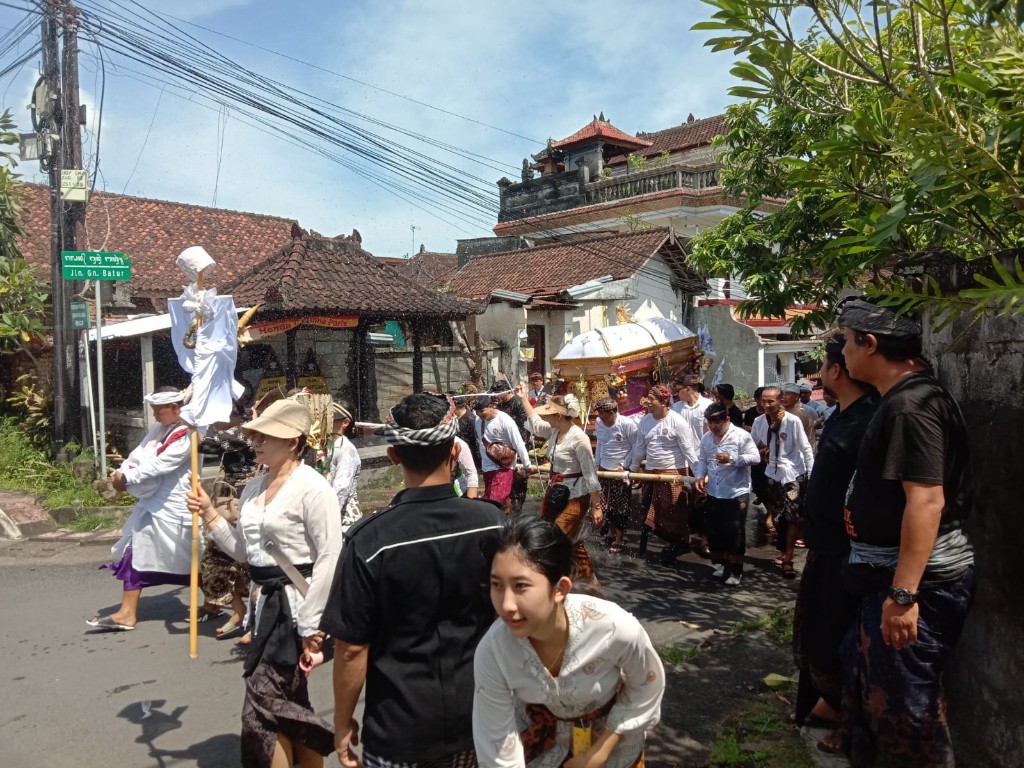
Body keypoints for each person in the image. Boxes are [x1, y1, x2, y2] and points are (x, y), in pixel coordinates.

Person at [321, 393, 505, 768]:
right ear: (455, 452)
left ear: (394, 456)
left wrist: (342, 723)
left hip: (400, 731)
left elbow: (352, 649)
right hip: (487, 718)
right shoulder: (495, 524)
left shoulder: (369, 541)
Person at [831, 298, 974, 767]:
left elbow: (927, 500)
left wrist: (906, 594)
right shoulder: (900, 400)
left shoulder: (911, 406)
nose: (844, 355)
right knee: (871, 694)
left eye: (848, 343)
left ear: (870, 345)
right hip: (884, 577)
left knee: (908, 717)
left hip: (916, 587)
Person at [187, 398, 342, 768]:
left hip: (296, 608)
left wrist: (312, 624)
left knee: (260, 708)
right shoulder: (254, 487)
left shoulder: (313, 487)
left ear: (292, 442)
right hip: (263, 608)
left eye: (265, 437)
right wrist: (210, 513)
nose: (256, 443)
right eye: (254, 436)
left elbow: (330, 556)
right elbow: (244, 552)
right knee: (289, 701)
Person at [473, 514, 665, 768]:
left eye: (521, 586)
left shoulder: (614, 628)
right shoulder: (493, 650)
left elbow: (646, 685)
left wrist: (601, 750)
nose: (506, 605)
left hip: (614, 745)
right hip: (538, 747)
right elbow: (497, 744)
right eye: (496, 585)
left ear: (560, 589)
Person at [792, 336, 878, 735]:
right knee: (816, 630)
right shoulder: (840, 415)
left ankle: (844, 716)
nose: (821, 373)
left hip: (849, 552)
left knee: (839, 635)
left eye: (825, 365)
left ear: (836, 371)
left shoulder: (870, 419)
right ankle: (823, 705)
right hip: (824, 548)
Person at [87, 387, 194, 631]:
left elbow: (158, 466)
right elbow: (140, 454)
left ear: (175, 408)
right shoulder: (161, 428)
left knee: (192, 564)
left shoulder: (189, 434)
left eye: (158, 409)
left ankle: (228, 601)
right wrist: (122, 471)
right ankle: (126, 613)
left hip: (176, 508)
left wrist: (126, 479)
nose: (154, 414)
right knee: (136, 552)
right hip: (153, 506)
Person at [517, 388, 603, 587]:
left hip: (576, 495)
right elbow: (536, 424)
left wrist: (596, 505)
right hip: (557, 492)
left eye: (549, 414)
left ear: (559, 415)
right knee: (572, 540)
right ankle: (588, 580)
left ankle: (549, 580)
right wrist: (523, 399)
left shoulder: (579, 438)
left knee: (555, 535)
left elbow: (590, 473)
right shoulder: (554, 430)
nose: (545, 417)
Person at [198, 404, 258, 638]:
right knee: (214, 561)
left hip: (249, 501)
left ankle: (254, 617)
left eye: (216, 419)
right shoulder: (237, 430)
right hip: (228, 502)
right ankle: (238, 609)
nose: (213, 424)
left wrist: (194, 421)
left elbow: (205, 443)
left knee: (255, 565)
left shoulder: (246, 431)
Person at [692, 402, 761, 586]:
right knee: (716, 530)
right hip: (715, 491)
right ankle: (723, 563)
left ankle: (736, 570)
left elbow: (755, 458)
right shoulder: (707, 438)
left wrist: (732, 459)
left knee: (735, 531)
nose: (713, 426)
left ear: (727, 419)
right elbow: (702, 460)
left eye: (717, 422)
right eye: (710, 422)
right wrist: (699, 476)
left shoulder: (741, 436)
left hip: (736, 491)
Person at [630, 385, 700, 565]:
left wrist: (699, 475)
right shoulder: (645, 421)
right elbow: (639, 447)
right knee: (652, 509)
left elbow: (689, 451)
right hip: (651, 472)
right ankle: (672, 540)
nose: (647, 402)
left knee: (673, 510)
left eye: (651, 399)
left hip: (673, 472)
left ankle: (674, 543)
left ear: (663, 402)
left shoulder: (677, 421)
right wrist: (633, 469)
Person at [751, 392, 814, 578]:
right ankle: (783, 550)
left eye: (771, 401)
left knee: (793, 515)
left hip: (793, 473)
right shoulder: (759, 422)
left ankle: (788, 558)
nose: (767, 404)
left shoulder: (792, 421)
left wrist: (811, 474)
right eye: (764, 401)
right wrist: (762, 450)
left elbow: (805, 447)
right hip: (772, 473)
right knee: (778, 516)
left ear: (780, 401)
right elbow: (753, 444)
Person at [593, 396, 638, 554]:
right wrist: (596, 462)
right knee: (605, 504)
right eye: (599, 414)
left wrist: (625, 465)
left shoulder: (626, 424)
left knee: (620, 506)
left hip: (620, 471)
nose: (601, 417)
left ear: (612, 412)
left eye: (603, 414)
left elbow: (636, 446)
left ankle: (619, 538)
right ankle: (611, 533)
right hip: (604, 469)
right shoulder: (599, 423)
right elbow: (600, 443)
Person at [474, 395, 533, 512]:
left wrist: (527, 465)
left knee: (495, 501)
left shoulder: (505, 420)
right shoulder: (478, 421)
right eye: (477, 412)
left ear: (491, 406)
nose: (480, 415)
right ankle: (505, 524)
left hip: (504, 466)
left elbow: (518, 443)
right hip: (487, 467)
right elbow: (480, 442)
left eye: (482, 411)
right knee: (493, 500)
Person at [492, 381, 532, 513]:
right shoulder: (501, 404)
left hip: (519, 443)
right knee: (509, 476)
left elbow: (523, 427)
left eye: (498, 393)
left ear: (505, 391)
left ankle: (518, 505)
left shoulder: (517, 403)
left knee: (519, 477)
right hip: (505, 446)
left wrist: (520, 446)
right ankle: (508, 504)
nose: (497, 396)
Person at [328, 399, 362, 534]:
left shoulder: (346, 449)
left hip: (343, 516)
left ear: (345, 422)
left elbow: (341, 488)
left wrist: (327, 515)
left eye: (331, 418)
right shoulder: (325, 445)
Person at [781, 382, 817, 452]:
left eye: (788, 394)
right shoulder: (780, 412)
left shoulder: (800, 414)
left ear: (797, 397)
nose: (783, 397)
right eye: (782, 394)